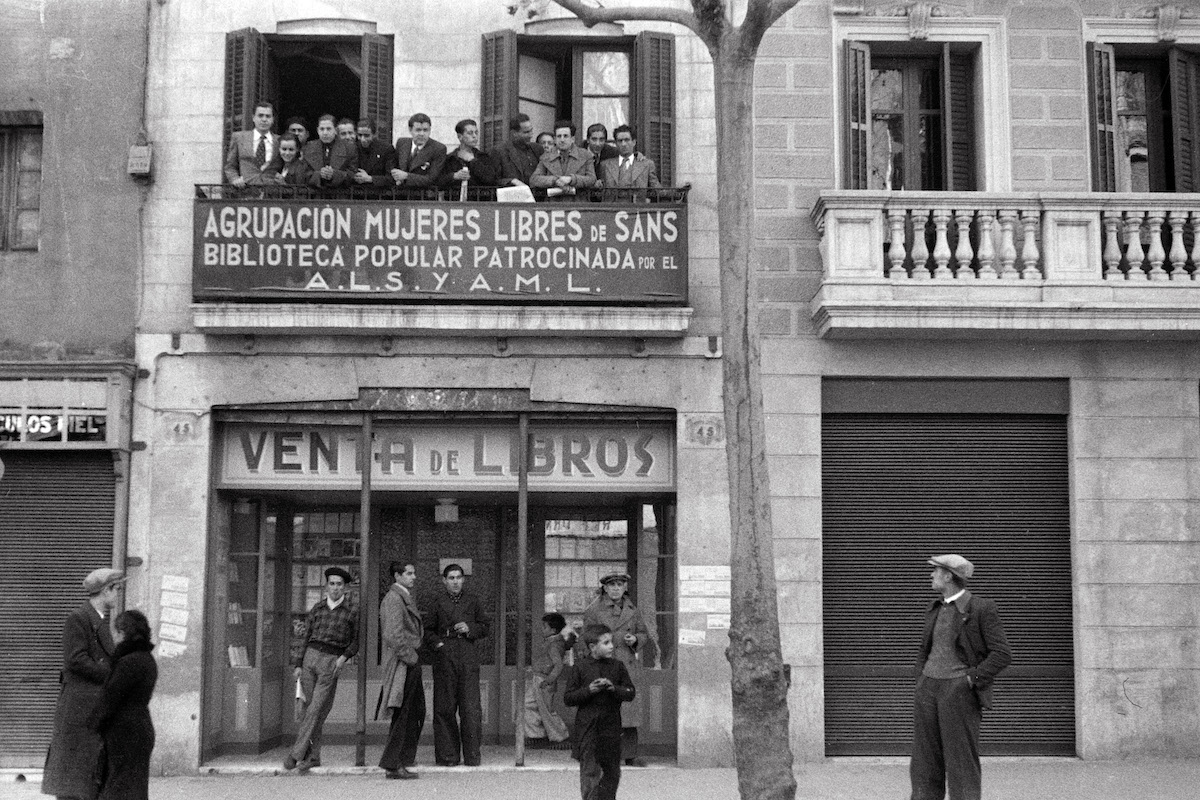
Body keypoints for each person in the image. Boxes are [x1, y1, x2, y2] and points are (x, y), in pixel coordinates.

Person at [911, 554, 1011, 800]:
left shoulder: (981, 608)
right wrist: (922, 679)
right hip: (928, 690)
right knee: (924, 762)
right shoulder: (935, 607)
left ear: (948, 576)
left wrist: (969, 680)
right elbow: (926, 650)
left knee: (961, 762)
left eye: (935, 571)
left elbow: (1002, 654)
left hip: (958, 693)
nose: (931, 575)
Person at [42, 568, 124, 800]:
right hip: (79, 707)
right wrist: (111, 674)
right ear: (105, 590)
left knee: (86, 773)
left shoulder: (98, 619)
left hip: (90, 706)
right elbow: (76, 660)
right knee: (75, 775)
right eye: (116, 589)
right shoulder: (79, 618)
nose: (118, 594)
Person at [284, 566, 359, 771]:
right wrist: (299, 664)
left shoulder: (351, 611)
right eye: (332, 584)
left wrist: (343, 658)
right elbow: (305, 637)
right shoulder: (317, 608)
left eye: (339, 584)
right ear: (327, 586)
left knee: (316, 708)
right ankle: (314, 757)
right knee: (312, 710)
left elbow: (356, 641)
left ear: (345, 588)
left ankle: (296, 753)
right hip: (310, 657)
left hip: (331, 661)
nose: (335, 588)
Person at [423, 563, 491, 766]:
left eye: (459, 578)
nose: (455, 582)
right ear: (444, 581)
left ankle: (472, 756)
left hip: (468, 656)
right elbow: (427, 631)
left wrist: (469, 628)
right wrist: (439, 644)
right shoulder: (437, 602)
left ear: (463, 580)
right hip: (445, 657)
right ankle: (448, 756)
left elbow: (485, 626)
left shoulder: (473, 601)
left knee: (471, 709)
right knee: (444, 708)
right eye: (451, 578)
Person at [581, 573, 650, 767]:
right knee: (603, 710)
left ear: (625, 588)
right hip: (604, 665)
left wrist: (635, 640)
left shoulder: (632, 610)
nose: (616, 589)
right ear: (604, 588)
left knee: (628, 711)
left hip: (627, 666)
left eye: (620, 585)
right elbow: (585, 638)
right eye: (611, 585)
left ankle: (630, 754)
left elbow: (643, 633)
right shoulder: (594, 610)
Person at [91, 610, 157, 800]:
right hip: (140, 728)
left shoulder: (127, 662)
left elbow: (110, 698)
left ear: (121, 633)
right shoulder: (147, 659)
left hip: (123, 732)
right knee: (135, 787)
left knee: (118, 788)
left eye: (115, 632)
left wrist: (95, 725)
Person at [564, 623, 635, 800]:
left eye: (611, 642)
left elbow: (630, 692)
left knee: (612, 772)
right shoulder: (580, 667)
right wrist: (589, 690)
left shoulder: (617, 667)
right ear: (592, 647)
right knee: (589, 772)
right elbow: (568, 698)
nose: (611, 646)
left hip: (611, 729)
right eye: (606, 643)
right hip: (587, 728)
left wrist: (614, 689)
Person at [377, 562, 425, 780]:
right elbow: (393, 635)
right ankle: (393, 764)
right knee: (403, 712)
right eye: (409, 573)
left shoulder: (401, 597)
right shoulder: (394, 599)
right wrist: (411, 658)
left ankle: (403, 758)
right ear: (397, 576)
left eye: (413, 573)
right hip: (403, 663)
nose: (414, 577)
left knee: (415, 711)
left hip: (408, 660)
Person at [522, 612, 572, 743]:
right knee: (528, 705)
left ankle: (561, 736)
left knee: (546, 710)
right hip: (539, 677)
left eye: (544, 627)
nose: (541, 629)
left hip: (544, 680)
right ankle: (536, 735)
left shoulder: (554, 644)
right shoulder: (552, 642)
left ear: (553, 630)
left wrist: (548, 680)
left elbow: (558, 665)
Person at [530, 120, 596, 197]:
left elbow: (592, 179)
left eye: (565, 136)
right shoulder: (546, 157)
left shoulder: (585, 155)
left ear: (572, 139)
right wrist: (555, 180)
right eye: (559, 136)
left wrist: (571, 179)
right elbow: (534, 180)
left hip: (579, 203)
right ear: (554, 139)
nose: (562, 140)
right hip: (554, 204)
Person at [439, 119, 502, 196]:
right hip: (455, 202)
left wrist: (473, 161)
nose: (474, 136)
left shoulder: (483, 157)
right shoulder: (450, 159)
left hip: (479, 200)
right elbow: (439, 181)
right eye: (470, 133)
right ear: (460, 137)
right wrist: (454, 176)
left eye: (476, 133)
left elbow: (490, 178)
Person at [223, 100, 279, 187]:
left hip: (272, 193)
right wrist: (234, 179)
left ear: (273, 119)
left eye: (268, 116)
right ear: (253, 117)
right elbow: (230, 166)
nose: (264, 119)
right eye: (260, 116)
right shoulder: (239, 138)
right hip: (245, 191)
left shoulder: (279, 141)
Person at [391, 112, 447, 190]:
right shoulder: (402, 143)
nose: (422, 134)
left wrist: (407, 176)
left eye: (425, 130)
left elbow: (432, 178)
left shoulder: (438, 148)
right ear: (410, 130)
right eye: (418, 130)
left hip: (422, 195)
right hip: (400, 194)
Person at [300, 114, 357, 190]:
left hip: (340, 195)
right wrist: (319, 175)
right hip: (314, 196)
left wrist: (335, 174)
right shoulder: (308, 148)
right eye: (322, 129)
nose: (325, 133)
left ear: (336, 130)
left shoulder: (349, 148)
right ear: (317, 130)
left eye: (328, 129)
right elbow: (302, 174)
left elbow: (353, 174)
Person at [598, 125, 661, 190]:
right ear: (616, 143)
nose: (623, 144)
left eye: (627, 140)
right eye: (620, 141)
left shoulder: (647, 164)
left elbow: (657, 190)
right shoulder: (605, 165)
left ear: (634, 142)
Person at [492, 113, 540, 187]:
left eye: (531, 130)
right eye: (526, 132)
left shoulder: (537, 149)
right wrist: (512, 181)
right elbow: (494, 180)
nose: (531, 135)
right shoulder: (500, 151)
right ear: (514, 133)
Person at [352, 118, 398, 190]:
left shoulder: (386, 149)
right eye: (360, 135)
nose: (363, 139)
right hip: (355, 194)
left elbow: (391, 178)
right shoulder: (353, 148)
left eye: (366, 135)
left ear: (374, 134)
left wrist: (370, 179)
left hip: (378, 195)